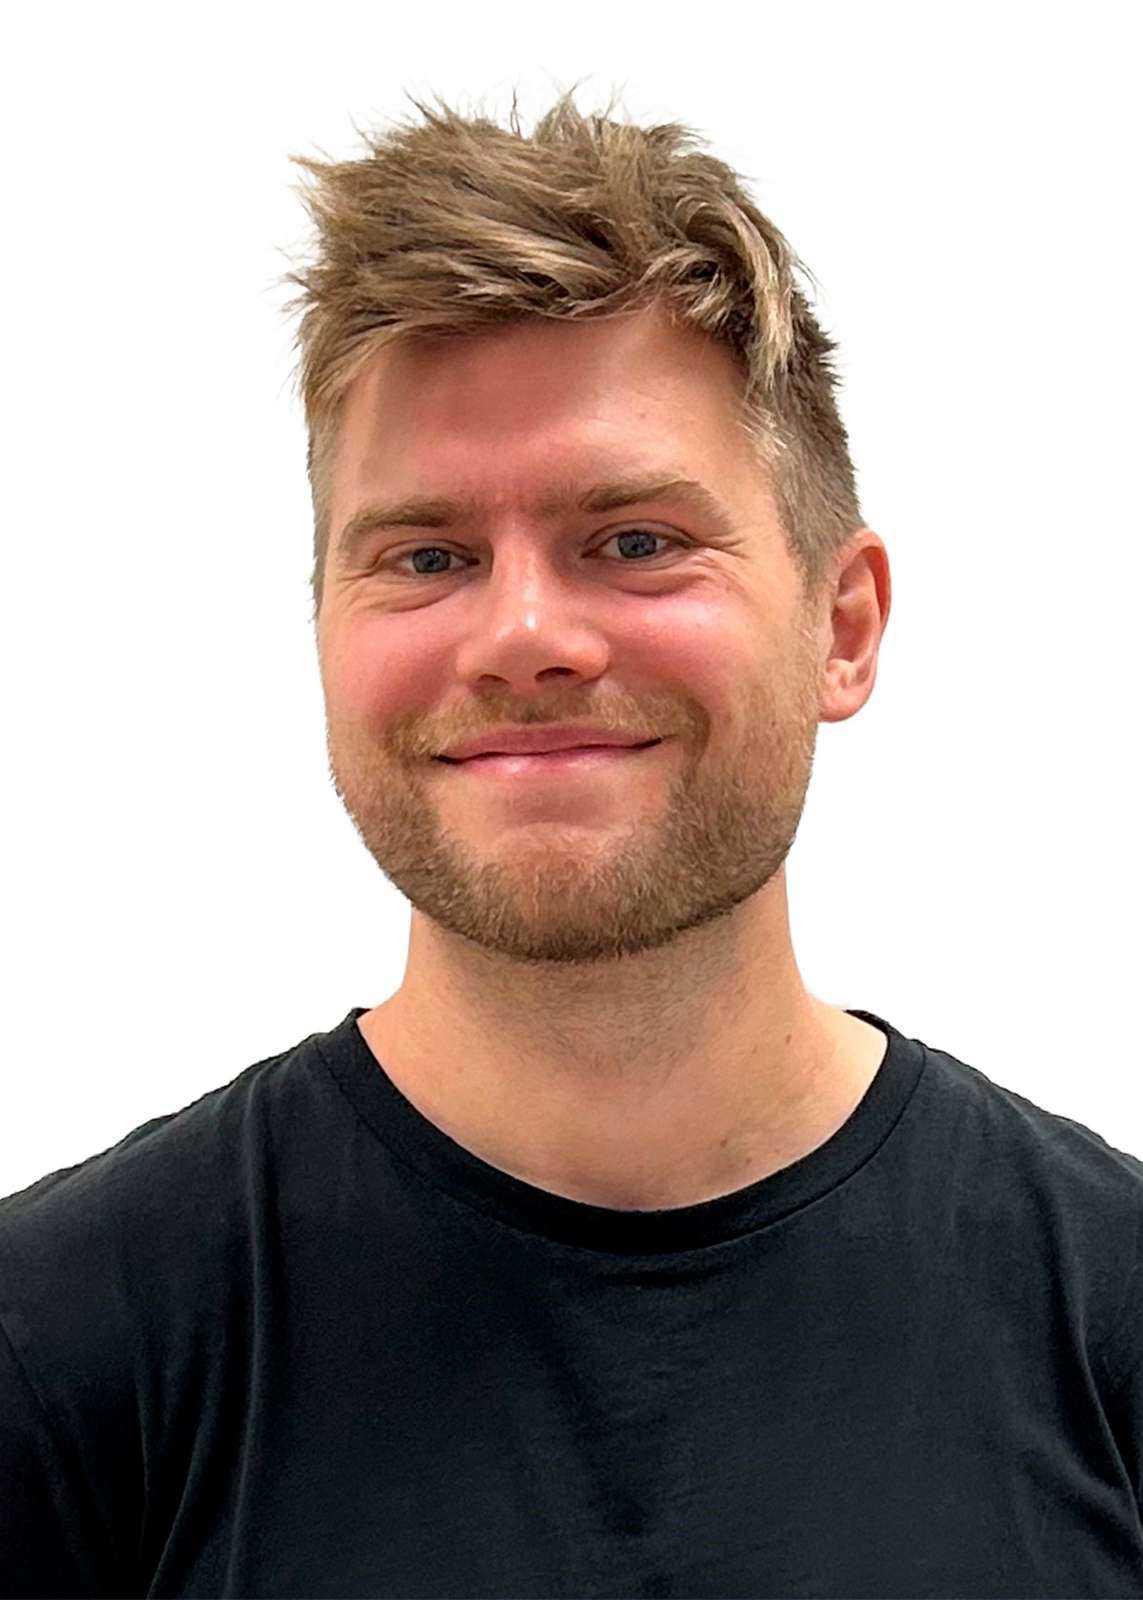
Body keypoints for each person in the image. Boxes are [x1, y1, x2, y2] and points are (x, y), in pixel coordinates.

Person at [1, 85, 1140, 1600]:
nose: (524, 635)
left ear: (844, 625)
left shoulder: (1112, 1322)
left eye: (637, 542)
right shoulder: (56, 1354)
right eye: (428, 556)